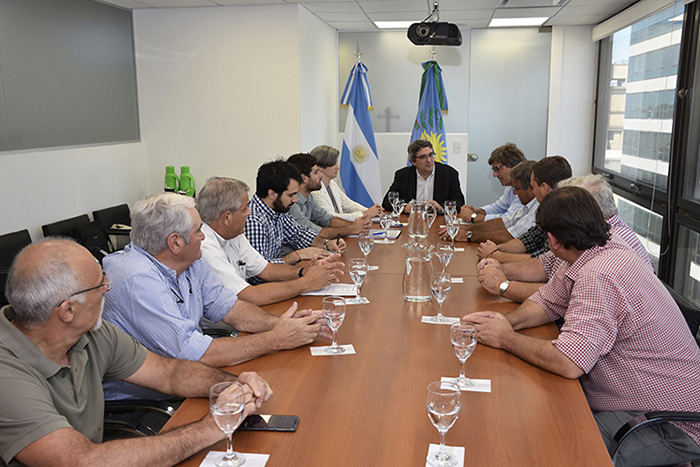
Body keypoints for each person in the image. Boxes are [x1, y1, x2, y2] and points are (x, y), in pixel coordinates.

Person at [463, 186, 700, 467]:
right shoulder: (595, 250)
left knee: (557, 452)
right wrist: (504, 323)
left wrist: (505, 339)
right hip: (631, 400)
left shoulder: (599, 274)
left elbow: (569, 362)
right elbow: (547, 302)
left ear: (552, 239)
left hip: (666, 420)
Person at [0, 238, 272, 467]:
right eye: (99, 285)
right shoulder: (7, 374)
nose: (108, 286)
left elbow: (169, 373)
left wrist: (232, 385)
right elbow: (81, 461)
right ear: (68, 310)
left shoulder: (91, 333)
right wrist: (208, 428)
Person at [102, 193, 328, 401]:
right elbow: (192, 355)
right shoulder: (137, 278)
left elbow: (231, 308)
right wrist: (276, 339)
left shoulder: (191, 259)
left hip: (188, 380)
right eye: (198, 230)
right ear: (175, 243)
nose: (204, 236)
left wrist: (282, 325)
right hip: (147, 402)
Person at [477, 174, 653, 303]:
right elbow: (546, 263)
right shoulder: (591, 232)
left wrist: (503, 284)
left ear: (587, 211)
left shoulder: (609, 241)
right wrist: (502, 269)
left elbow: (566, 296)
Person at [198, 176, 345, 306]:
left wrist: (304, 272)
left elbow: (267, 270)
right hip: (223, 328)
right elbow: (249, 296)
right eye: (244, 209)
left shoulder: (234, 235)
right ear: (227, 217)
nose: (249, 213)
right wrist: (305, 283)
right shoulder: (205, 247)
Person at [245, 159, 346, 264]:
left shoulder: (277, 210)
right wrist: (297, 255)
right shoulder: (254, 220)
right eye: (291, 195)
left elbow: (298, 234)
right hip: (267, 280)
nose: (295, 200)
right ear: (272, 194)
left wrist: (327, 243)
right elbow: (258, 271)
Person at [475, 156, 572, 263]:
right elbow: (529, 239)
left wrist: (494, 255)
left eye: (533, 187)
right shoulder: (549, 209)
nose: (533, 193)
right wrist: (496, 249)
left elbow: (543, 261)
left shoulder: (565, 215)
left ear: (544, 188)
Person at [442, 160, 538, 244]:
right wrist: (467, 228)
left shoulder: (537, 208)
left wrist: (469, 234)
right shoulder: (528, 205)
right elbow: (504, 222)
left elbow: (510, 235)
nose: (515, 192)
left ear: (531, 189)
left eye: (517, 189)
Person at [286, 152, 371, 237]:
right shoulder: (290, 203)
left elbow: (327, 219)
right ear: (304, 178)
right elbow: (313, 232)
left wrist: (357, 225)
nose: (320, 176)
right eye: (316, 173)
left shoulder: (308, 196)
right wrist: (352, 228)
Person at [381, 139, 465, 213]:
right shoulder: (403, 175)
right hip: (412, 220)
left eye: (431, 155)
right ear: (413, 162)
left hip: (439, 221)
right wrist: (404, 208)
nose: (429, 160)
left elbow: (459, 203)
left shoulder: (449, 174)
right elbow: (387, 202)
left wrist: (441, 207)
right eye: (423, 157)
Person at [309, 145, 382, 221]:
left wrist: (372, 211)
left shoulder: (332, 183)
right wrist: (365, 213)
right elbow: (331, 217)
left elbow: (348, 205)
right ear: (320, 167)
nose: (338, 168)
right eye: (333, 164)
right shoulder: (316, 190)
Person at [459, 143, 526, 223]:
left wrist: (473, 217)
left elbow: (509, 219)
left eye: (497, 169)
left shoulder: (525, 187)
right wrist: (475, 211)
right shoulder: (510, 187)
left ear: (513, 165)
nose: (495, 175)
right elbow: (498, 208)